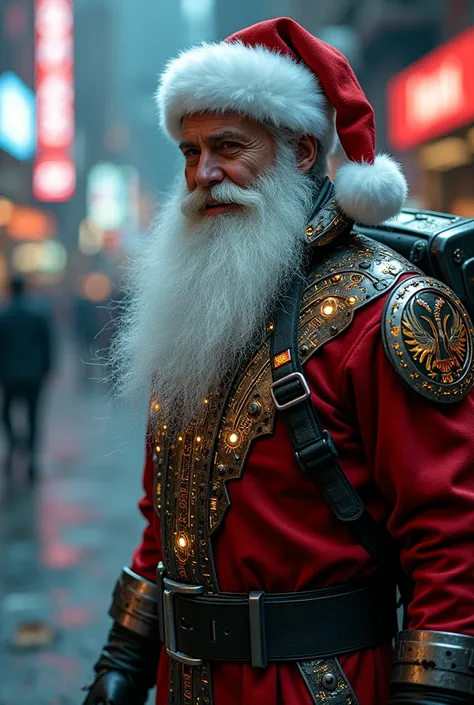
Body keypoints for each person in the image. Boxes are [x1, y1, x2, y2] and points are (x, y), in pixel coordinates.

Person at [83, 18, 474, 705]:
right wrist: (124, 656)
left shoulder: (388, 310)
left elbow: (454, 538)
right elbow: (164, 520)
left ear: (299, 152)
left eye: (229, 147)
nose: (204, 173)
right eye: (190, 150)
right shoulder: (197, 304)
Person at [0, 275, 53, 481]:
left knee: (6, 414)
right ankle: (31, 456)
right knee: (33, 416)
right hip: (33, 375)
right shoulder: (37, 316)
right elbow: (47, 346)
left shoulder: (3, 316)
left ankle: (14, 441)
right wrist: (47, 369)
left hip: (9, 375)